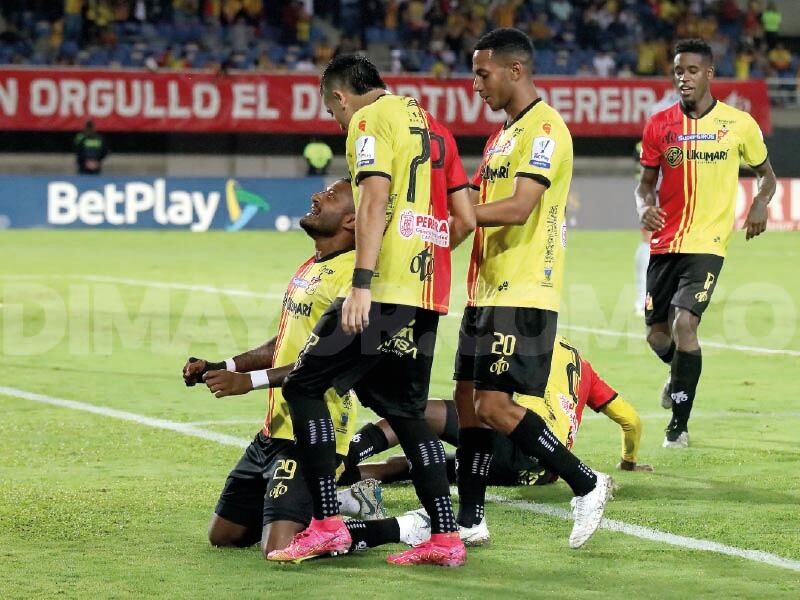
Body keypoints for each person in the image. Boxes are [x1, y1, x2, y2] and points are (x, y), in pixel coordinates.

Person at [267, 54, 475, 567]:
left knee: (304, 386)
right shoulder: (434, 126)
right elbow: (466, 218)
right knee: (405, 411)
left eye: (332, 111)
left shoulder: (367, 121)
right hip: (428, 291)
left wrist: (361, 284)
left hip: (383, 286)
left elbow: (373, 199)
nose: (338, 122)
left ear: (341, 97)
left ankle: (326, 525)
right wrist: (426, 255)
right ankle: (446, 538)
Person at [455, 27, 613, 551]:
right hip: (485, 291)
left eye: (483, 74)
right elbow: (468, 207)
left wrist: (457, 214)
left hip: (523, 290)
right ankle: (470, 519)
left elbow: (519, 207)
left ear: (515, 70)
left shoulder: (545, 129)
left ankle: (586, 483)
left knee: (495, 406)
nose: (476, 85)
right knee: (467, 403)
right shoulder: (500, 137)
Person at [182, 179, 375, 558]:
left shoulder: (354, 279)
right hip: (275, 428)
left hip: (315, 432)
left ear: (352, 220)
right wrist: (223, 365)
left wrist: (247, 381)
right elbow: (285, 343)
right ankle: (339, 501)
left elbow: (324, 362)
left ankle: (401, 525)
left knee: (279, 548)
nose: (316, 197)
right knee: (224, 535)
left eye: (330, 196)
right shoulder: (312, 266)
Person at [636, 39, 777, 449]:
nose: (684, 77)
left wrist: (760, 203)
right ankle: (679, 372)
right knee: (657, 336)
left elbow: (766, 175)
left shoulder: (738, 124)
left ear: (709, 74)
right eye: (678, 70)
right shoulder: (658, 125)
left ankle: (677, 427)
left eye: (692, 70)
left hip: (708, 244)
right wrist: (643, 208)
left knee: (685, 324)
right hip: (665, 243)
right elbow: (645, 185)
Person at [340, 335, 652, 499]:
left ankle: (342, 457)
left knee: (417, 414)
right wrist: (628, 461)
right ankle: (338, 476)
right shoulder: (585, 370)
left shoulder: (527, 342)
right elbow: (631, 420)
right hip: (542, 470)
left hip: (517, 440)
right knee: (416, 464)